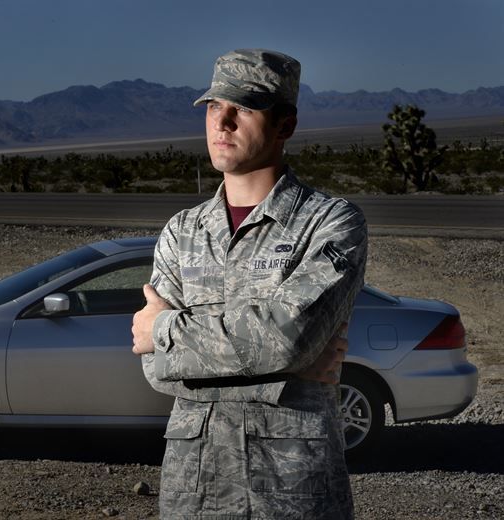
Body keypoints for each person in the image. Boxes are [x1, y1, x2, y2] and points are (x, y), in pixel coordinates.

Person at [131, 49, 367, 519]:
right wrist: (287, 369)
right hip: (194, 489)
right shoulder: (182, 231)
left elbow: (286, 338)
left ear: (285, 125)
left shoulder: (330, 223)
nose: (224, 122)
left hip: (291, 488)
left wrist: (166, 331)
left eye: (244, 108)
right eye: (215, 106)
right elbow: (156, 370)